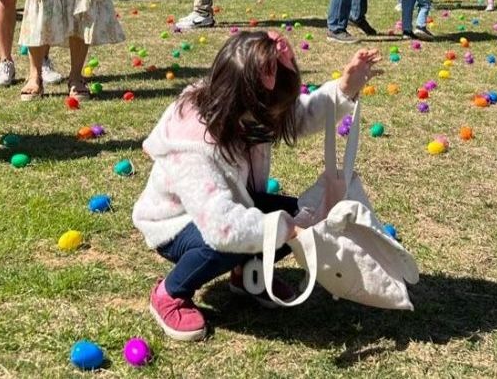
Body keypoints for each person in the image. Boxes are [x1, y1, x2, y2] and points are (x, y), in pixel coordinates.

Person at [132, 29, 380, 341]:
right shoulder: (193, 142)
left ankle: (247, 275)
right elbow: (222, 228)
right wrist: (287, 229)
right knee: (233, 242)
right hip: (178, 223)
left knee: (302, 214)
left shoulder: (247, 109)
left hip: (237, 202)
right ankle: (169, 293)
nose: (280, 116)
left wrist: (344, 88)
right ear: (245, 101)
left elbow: (299, 116)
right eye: (274, 110)